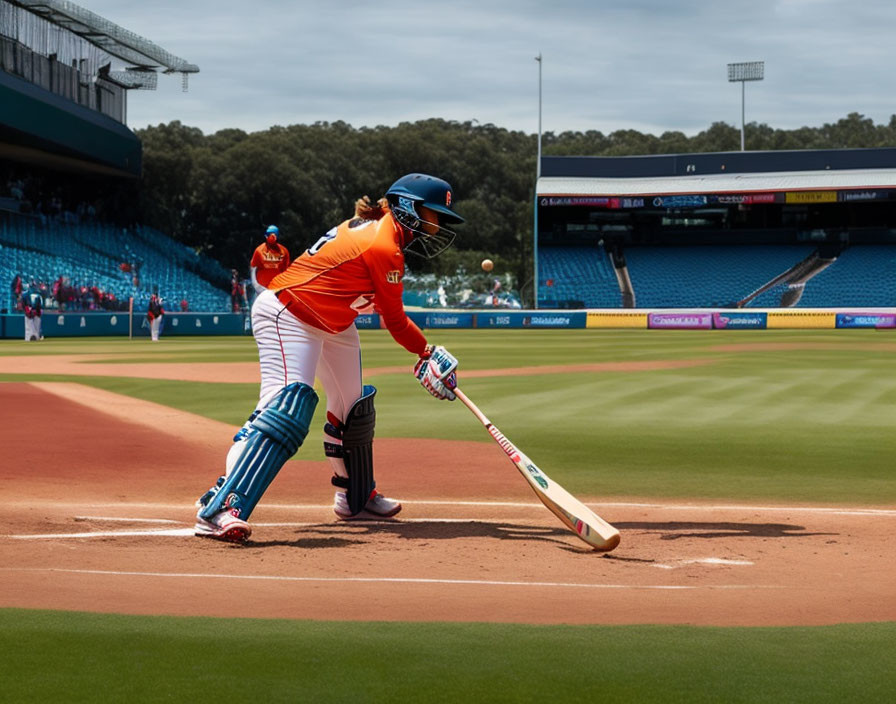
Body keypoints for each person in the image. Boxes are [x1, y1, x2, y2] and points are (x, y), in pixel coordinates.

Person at [194, 173, 464, 542]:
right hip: (289, 312)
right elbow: (395, 320)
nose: (437, 225)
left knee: (353, 408)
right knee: (284, 410)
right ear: (407, 209)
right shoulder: (382, 244)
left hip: (334, 321)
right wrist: (426, 353)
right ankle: (220, 505)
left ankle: (355, 498)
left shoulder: (380, 230)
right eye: (433, 215)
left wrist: (424, 353)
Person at [249, 225, 291, 294]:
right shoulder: (259, 250)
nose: (272, 236)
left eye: (274, 234)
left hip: (278, 287)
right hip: (261, 288)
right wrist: (255, 285)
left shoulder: (284, 251)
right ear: (266, 235)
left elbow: (287, 271)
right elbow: (253, 267)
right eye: (269, 234)